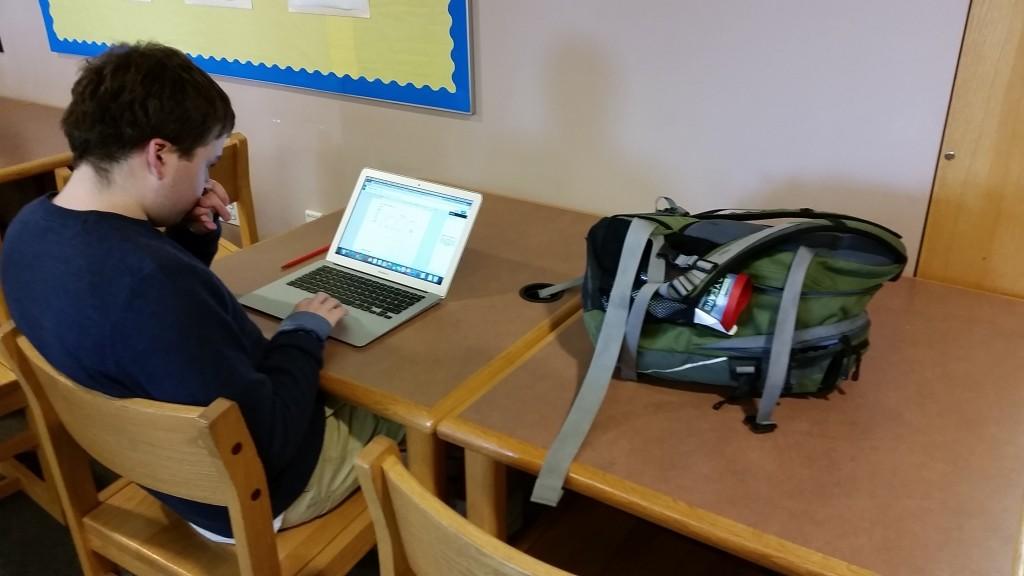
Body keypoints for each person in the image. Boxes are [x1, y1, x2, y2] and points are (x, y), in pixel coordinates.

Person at [0, 42, 402, 542]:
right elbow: (269, 437)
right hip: (250, 494)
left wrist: (188, 240)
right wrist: (303, 331)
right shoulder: (156, 282)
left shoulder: (30, 229)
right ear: (159, 155)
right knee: (405, 397)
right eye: (207, 164)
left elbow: (134, 326)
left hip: (156, 470)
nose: (207, 183)